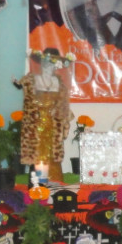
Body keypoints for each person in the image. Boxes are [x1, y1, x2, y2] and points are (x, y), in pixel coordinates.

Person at [14, 47, 73, 180]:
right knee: (37, 153)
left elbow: (63, 107)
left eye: (52, 63)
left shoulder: (60, 83)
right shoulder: (31, 80)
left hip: (53, 125)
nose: (49, 66)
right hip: (36, 124)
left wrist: (61, 119)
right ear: (41, 63)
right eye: (46, 62)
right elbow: (28, 101)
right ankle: (38, 184)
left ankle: (55, 182)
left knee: (53, 154)